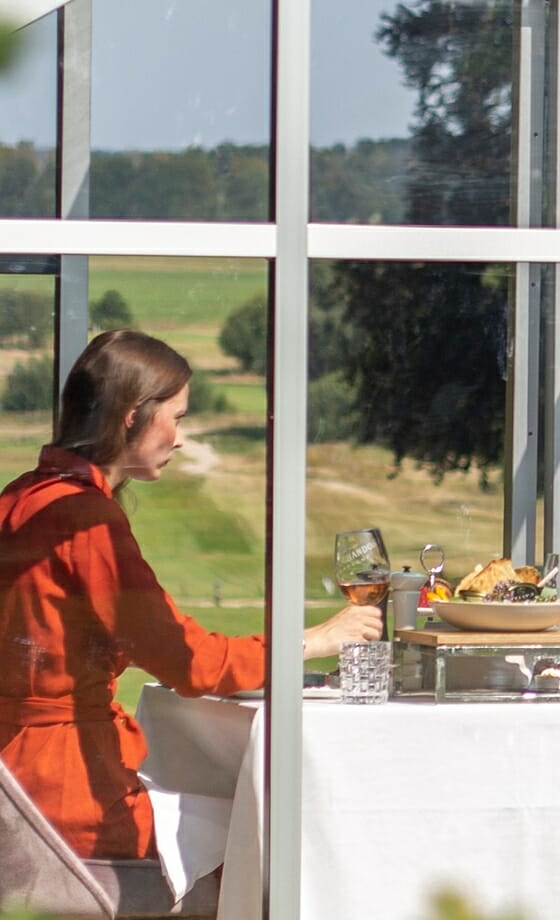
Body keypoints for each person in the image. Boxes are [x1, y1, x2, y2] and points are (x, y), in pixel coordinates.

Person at [0, 329, 382, 861]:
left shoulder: (23, 496)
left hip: (17, 783)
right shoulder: (84, 520)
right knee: (271, 847)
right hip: (69, 795)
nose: (180, 438)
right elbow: (189, 662)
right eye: (176, 418)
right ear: (133, 414)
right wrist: (314, 640)